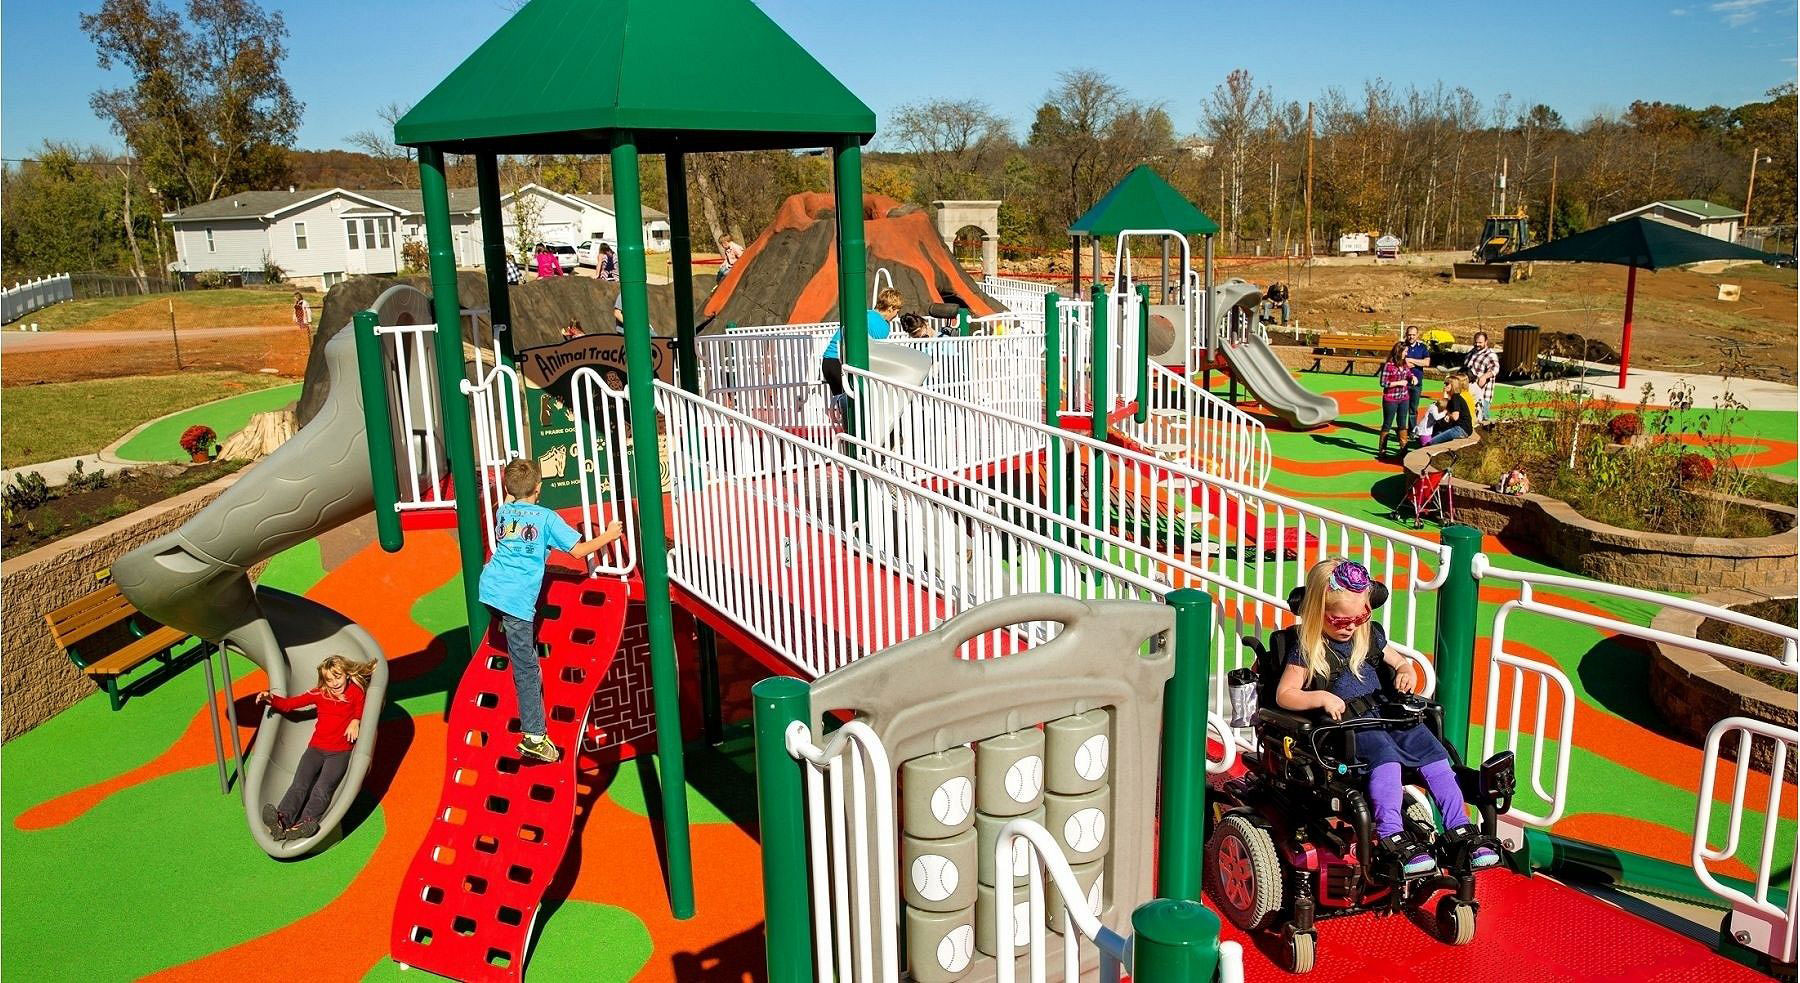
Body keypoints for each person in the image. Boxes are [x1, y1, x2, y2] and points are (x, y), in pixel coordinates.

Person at [1275, 558, 1499, 875]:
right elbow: (1285, 694)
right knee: (1386, 759)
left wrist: (1406, 669)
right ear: (1317, 612)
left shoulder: (1370, 637)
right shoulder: (1307, 649)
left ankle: (1460, 829)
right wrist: (1321, 696)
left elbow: (1400, 662)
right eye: (1341, 621)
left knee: (1434, 753)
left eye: (1361, 616)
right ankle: (1392, 834)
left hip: (1386, 714)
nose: (1351, 626)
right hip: (1350, 728)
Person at [479, 458, 624, 763]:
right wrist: (609, 535)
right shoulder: (546, 518)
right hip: (516, 601)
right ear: (540, 488)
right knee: (528, 668)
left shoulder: (504, 512)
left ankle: (505, 625)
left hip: (489, 590)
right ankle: (534, 736)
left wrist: (512, 481)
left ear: (508, 488)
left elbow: (510, 495)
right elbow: (578, 550)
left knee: (515, 634)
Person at [256, 655, 375, 841]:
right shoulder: (320, 694)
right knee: (299, 785)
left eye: (338, 677)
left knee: (322, 788)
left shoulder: (355, 692)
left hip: (339, 754)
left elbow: (362, 707)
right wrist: (270, 697)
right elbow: (290, 704)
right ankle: (282, 820)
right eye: (329, 679)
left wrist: (355, 720)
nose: (334, 683)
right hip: (315, 750)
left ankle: (305, 823)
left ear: (347, 675)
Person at [821, 286, 901, 398]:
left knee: (843, 405)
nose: (896, 315)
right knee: (858, 404)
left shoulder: (865, 314)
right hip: (840, 364)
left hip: (828, 362)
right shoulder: (882, 326)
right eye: (897, 311)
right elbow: (875, 352)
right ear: (890, 309)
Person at [1377, 341, 1413, 459]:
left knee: (1402, 424)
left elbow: (1408, 374)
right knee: (1387, 424)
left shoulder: (1405, 364)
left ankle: (1403, 451)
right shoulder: (1389, 365)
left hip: (1404, 398)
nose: (1407, 353)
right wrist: (1398, 383)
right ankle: (1382, 450)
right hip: (1391, 399)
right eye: (1405, 351)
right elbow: (1383, 383)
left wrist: (1413, 378)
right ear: (1399, 351)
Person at [1425, 374, 1476, 445]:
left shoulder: (1455, 397)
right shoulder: (1454, 397)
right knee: (1438, 432)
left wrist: (1448, 414)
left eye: (1447, 384)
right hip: (1464, 428)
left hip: (1461, 429)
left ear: (1453, 385)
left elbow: (1455, 417)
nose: (1445, 385)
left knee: (1432, 442)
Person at [1465, 331, 1499, 424]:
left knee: (1483, 419)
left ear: (1486, 342)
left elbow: (1495, 369)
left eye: (1480, 342)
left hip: (1483, 393)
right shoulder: (1472, 352)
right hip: (1470, 391)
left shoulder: (1490, 354)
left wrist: (1484, 376)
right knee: (1470, 418)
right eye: (1476, 342)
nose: (1477, 344)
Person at [1402, 324, 1431, 428]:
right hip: (1403, 382)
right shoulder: (1401, 346)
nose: (1411, 337)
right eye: (1409, 335)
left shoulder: (1422, 347)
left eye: (1413, 335)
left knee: (1413, 408)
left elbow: (1427, 362)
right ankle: (1401, 429)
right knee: (1402, 408)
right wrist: (1418, 362)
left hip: (1417, 382)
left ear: (1417, 335)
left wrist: (1411, 360)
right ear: (1406, 334)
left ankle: (1412, 430)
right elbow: (1400, 362)